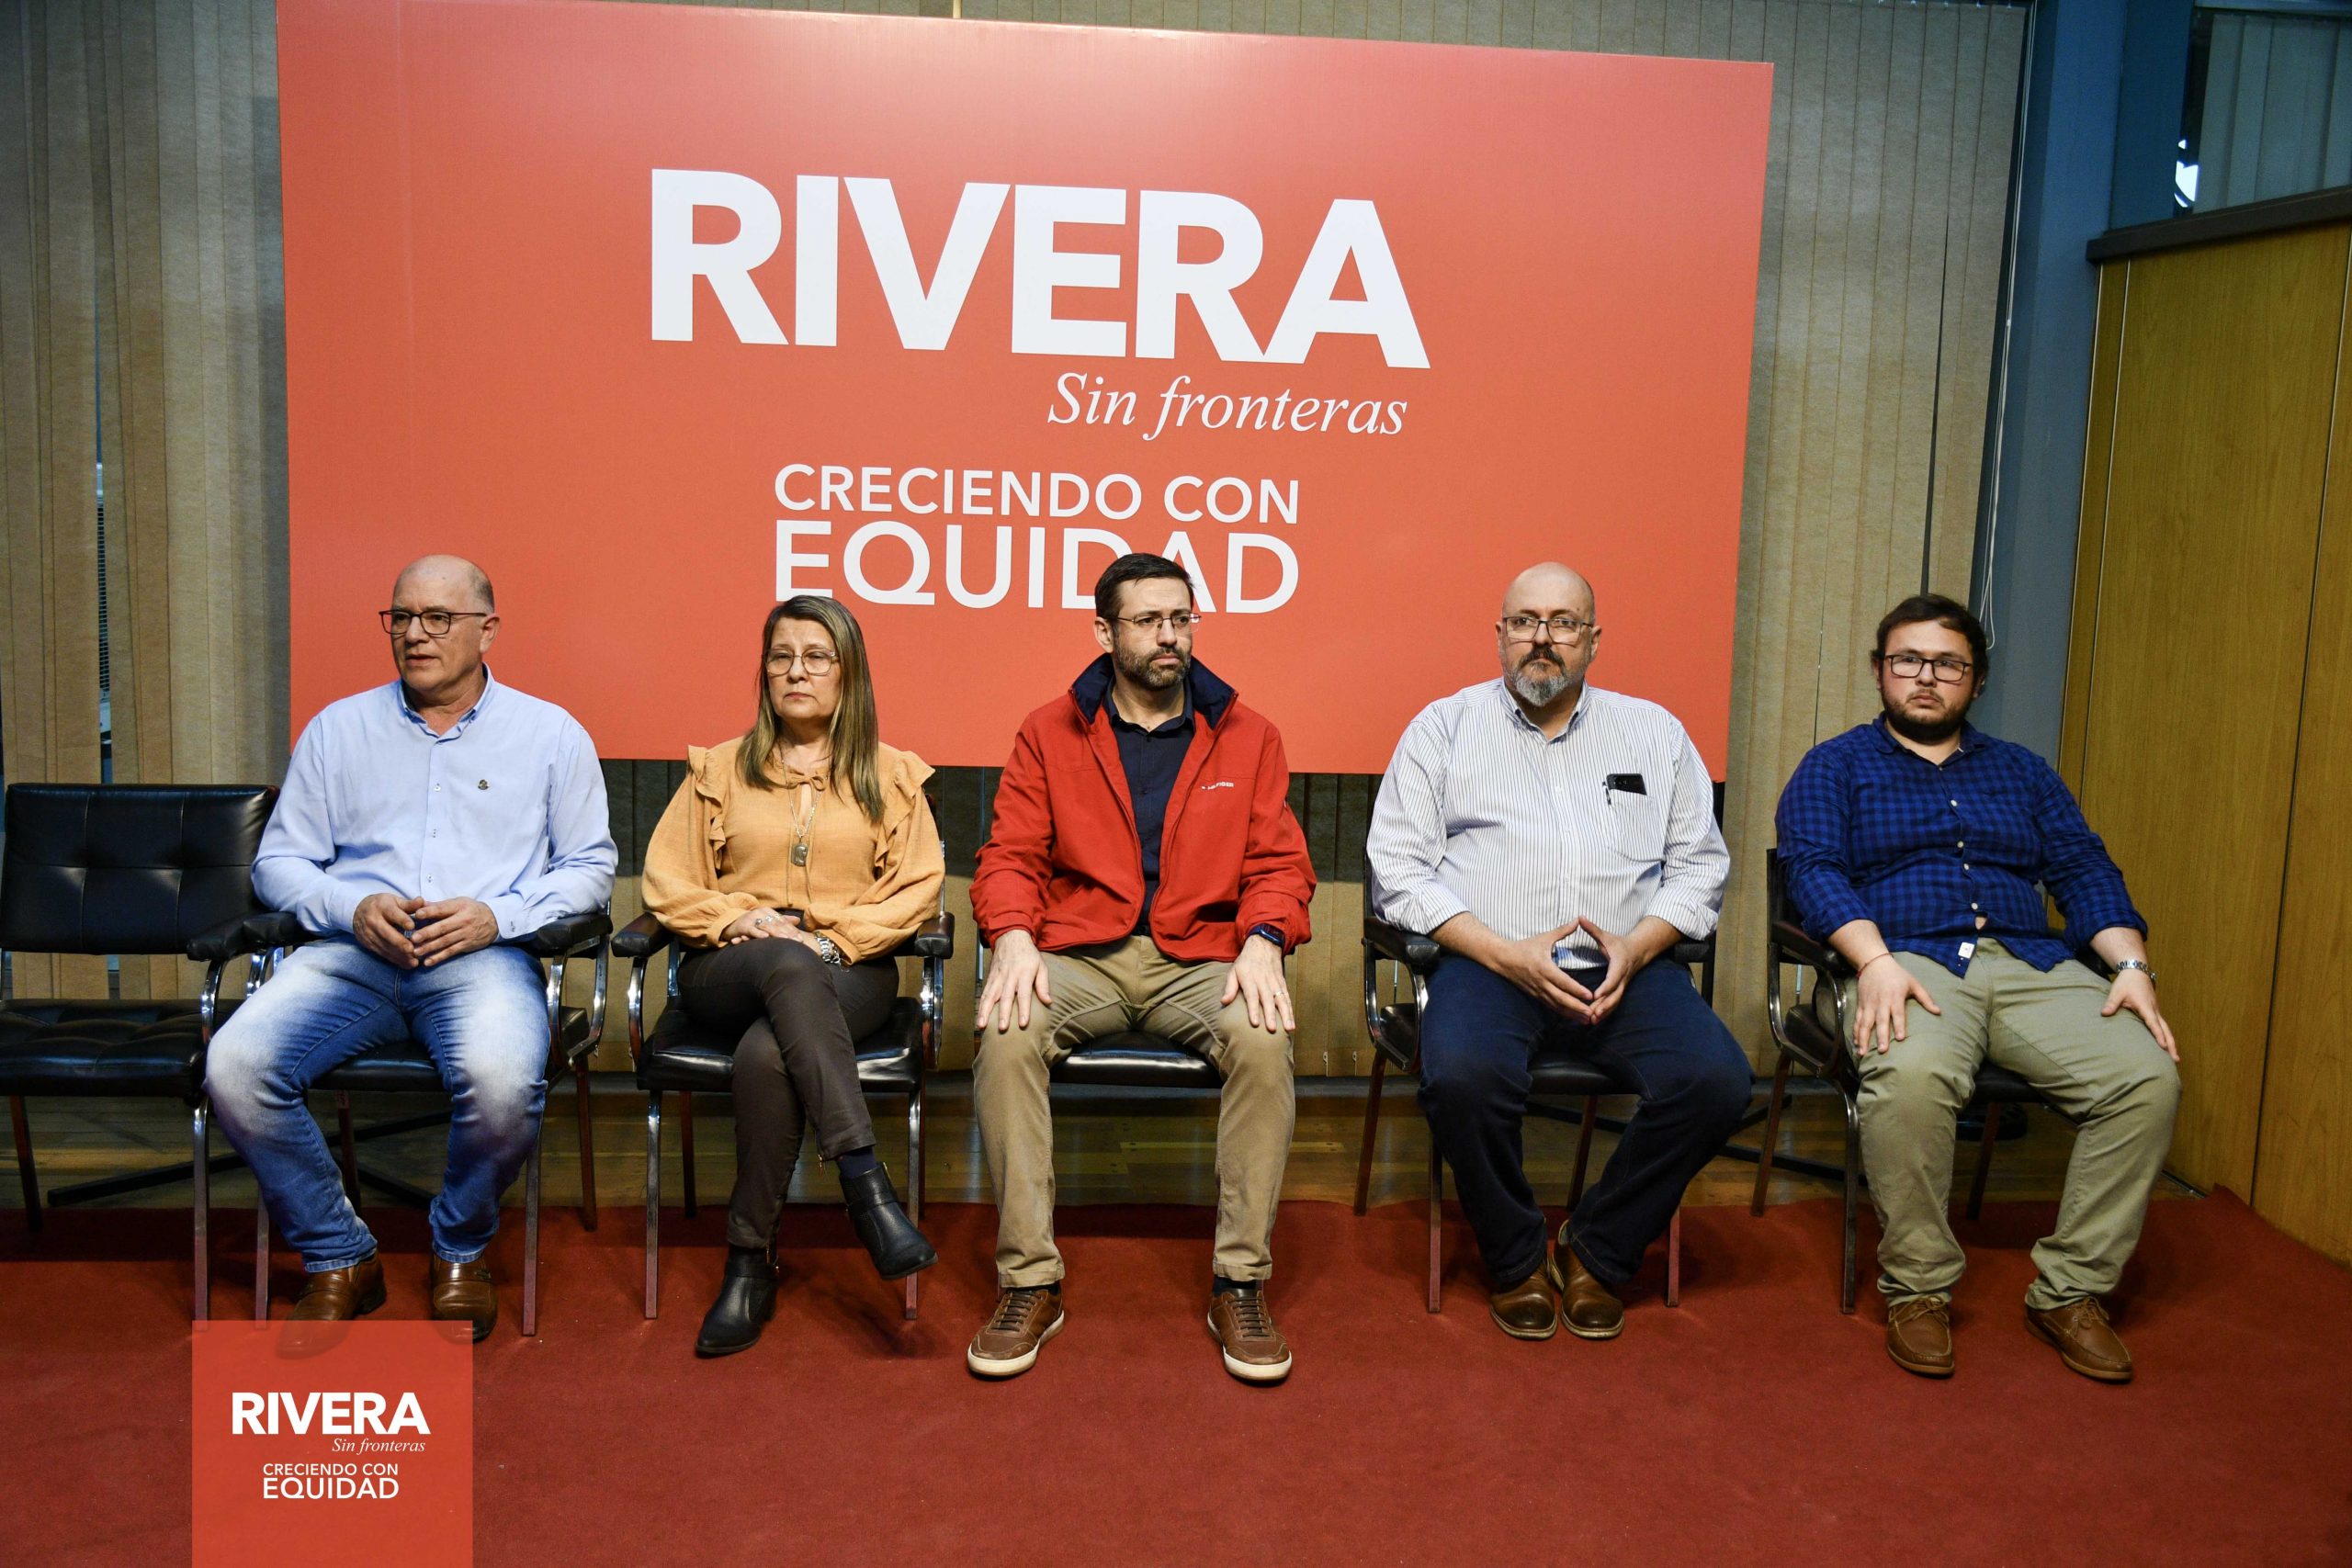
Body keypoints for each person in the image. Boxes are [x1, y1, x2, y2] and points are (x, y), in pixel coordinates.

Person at [205, 556, 616, 1339]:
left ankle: (459, 1247)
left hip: (482, 959)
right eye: (401, 617)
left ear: (487, 630)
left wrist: (498, 916)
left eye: (437, 617)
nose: (415, 634)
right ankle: (338, 1253)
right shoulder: (338, 729)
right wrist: (351, 905)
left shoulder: (550, 734)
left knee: (504, 1081)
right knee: (235, 1066)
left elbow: (591, 868)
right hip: (350, 954)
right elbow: (279, 863)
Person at [1775, 592, 2179, 1383]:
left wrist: (2131, 967)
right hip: (1903, 958)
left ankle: (2071, 1290)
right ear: (1880, 671)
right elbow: (1814, 870)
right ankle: (1918, 1288)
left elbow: (2083, 868)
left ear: (1977, 679)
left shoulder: (2023, 771)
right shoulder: (1835, 765)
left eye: (1948, 664)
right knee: (1911, 1075)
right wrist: (1872, 960)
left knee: (2146, 1077)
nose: (1926, 677)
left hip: (2032, 964)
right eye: (1908, 660)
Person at [1365, 562, 1747, 1342]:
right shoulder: (1443, 728)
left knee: (1717, 1081)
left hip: (1628, 969)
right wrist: (1502, 953)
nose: (1542, 639)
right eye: (1525, 621)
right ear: (1499, 634)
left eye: (1564, 623)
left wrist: (1639, 945)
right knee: (1463, 1077)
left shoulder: (1655, 732)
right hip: (1488, 964)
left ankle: (1597, 1250)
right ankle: (1514, 1260)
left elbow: (1701, 865)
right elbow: (1396, 870)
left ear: (1593, 640)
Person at [966, 553, 1314, 1383]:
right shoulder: (1048, 731)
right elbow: (1009, 854)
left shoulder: (1249, 734)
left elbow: (1279, 864)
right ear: (1104, 632)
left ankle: (1239, 1281)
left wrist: (1264, 937)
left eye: (1181, 618)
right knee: (1007, 1034)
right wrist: (1011, 935)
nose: (1169, 636)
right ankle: (1029, 1281)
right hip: (1080, 952)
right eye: (1149, 620)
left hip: (1201, 956)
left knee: (1263, 1040)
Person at [639, 595, 944, 1356]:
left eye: (815, 657)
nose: (795, 671)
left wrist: (834, 942)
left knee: (768, 1051)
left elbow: (917, 889)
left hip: (849, 968)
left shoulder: (893, 776)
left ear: (849, 674)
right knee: (782, 957)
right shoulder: (718, 769)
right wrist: (732, 917)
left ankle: (749, 1261)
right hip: (727, 967)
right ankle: (867, 1186)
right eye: (780, 657)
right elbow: (666, 881)